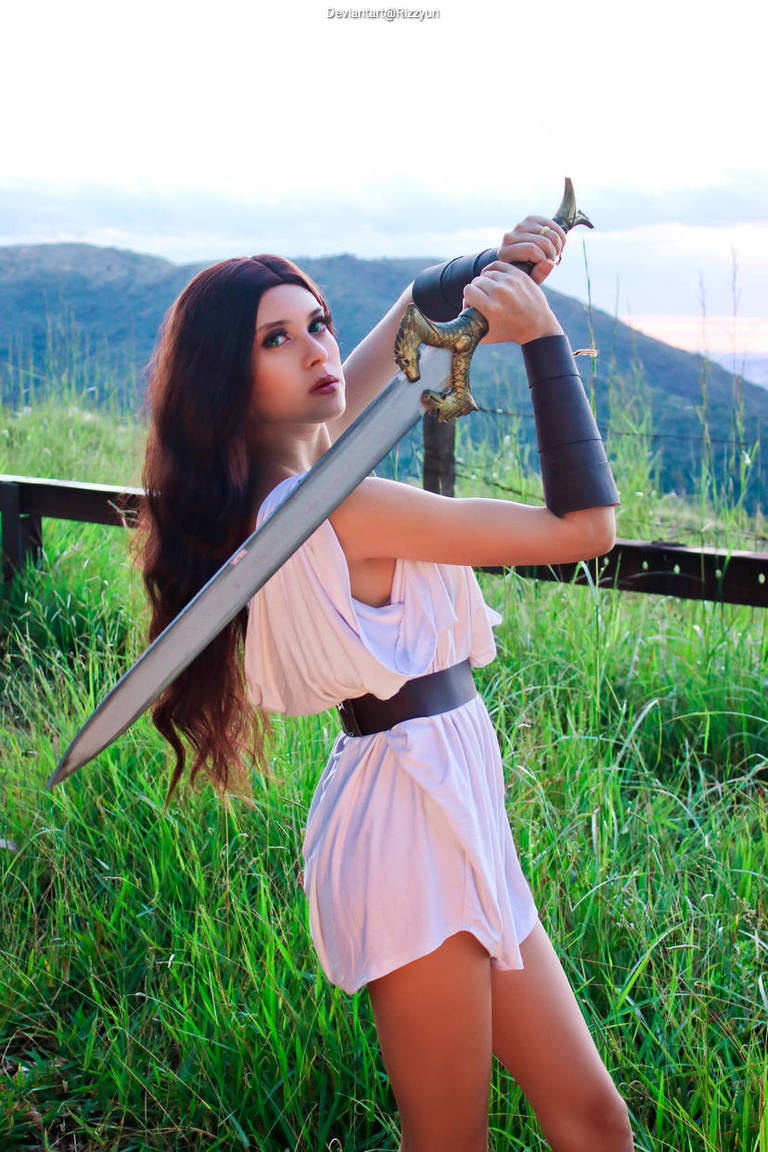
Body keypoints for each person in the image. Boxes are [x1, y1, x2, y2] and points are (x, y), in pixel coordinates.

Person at [138, 216, 634, 1152]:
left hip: (452, 799)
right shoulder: (332, 506)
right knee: (450, 1141)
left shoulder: (299, 475)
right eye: (274, 340)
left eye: (318, 323)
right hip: (409, 830)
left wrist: (489, 265)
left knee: (595, 1121)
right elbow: (584, 532)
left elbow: (407, 326)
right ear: (225, 381)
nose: (316, 350)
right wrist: (544, 342)